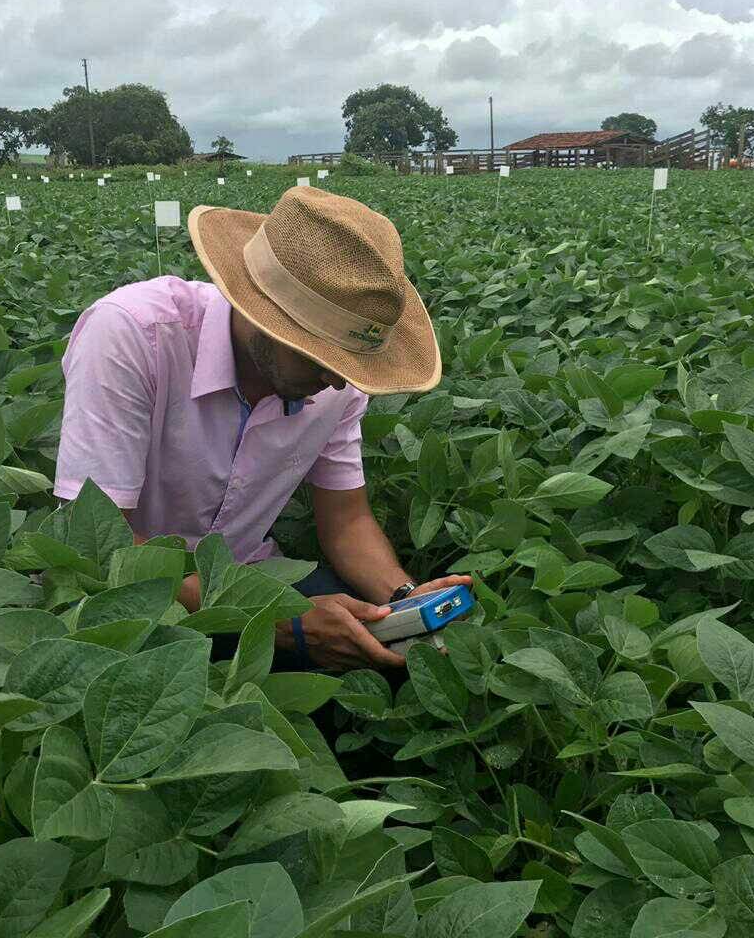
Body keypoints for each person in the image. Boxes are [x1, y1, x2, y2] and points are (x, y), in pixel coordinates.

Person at [53, 185, 470, 670]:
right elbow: (99, 543)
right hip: (124, 589)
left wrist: (402, 598)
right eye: (320, 357)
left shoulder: (339, 381)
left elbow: (348, 522)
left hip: (249, 574)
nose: (337, 379)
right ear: (262, 315)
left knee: (387, 662)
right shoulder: (133, 334)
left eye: (349, 363)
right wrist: (273, 622)